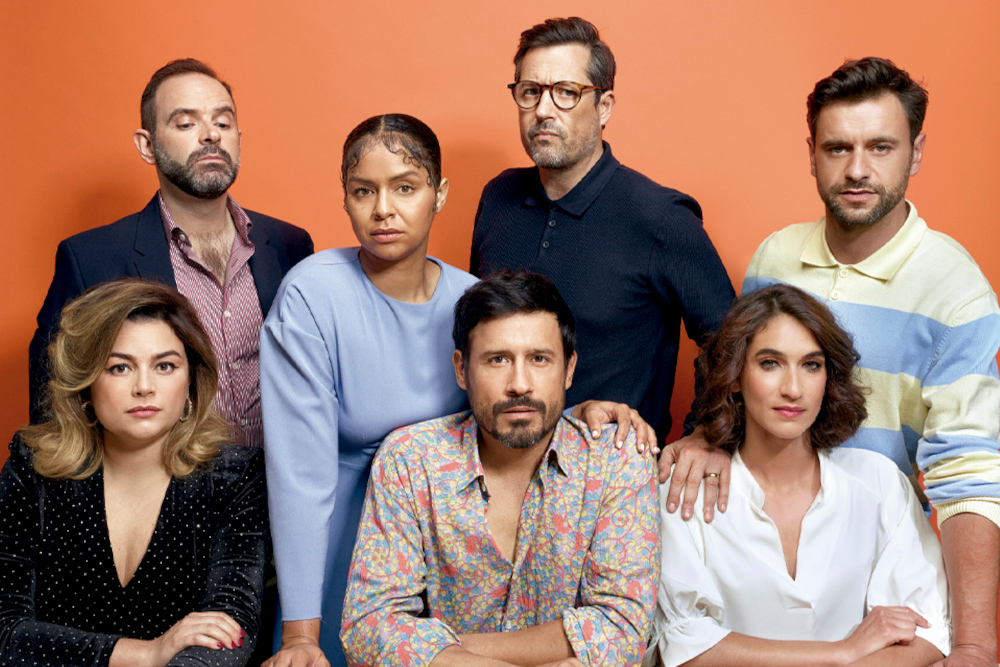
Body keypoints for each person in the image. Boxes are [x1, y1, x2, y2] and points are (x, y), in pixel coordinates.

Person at [260, 115, 651, 667]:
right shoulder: (312, 294)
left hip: (445, 538)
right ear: (344, 197)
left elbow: (513, 392)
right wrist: (301, 633)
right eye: (364, 191)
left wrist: (579, 409)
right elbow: (299, 476)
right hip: (332, 537)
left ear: (438, 194)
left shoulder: (470, 297)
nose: (383, 210)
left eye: (404, 188)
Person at [739, 57, 1000, 667]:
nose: (857, 170)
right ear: (811, 154)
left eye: (881, 147)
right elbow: (740, 388)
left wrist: (975, 645)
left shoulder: (956, 291)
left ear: (916, 152)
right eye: (838, 148)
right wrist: (704, 437)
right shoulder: (774, 258)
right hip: (763, 558)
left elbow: (968, 474)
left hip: (886, 578)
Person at [341, 270, 659, 667]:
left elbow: (622, 628)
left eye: (539, 359)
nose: (519, 384)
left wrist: (443, 651)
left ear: (569, 369)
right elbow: (368, 627)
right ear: (462, 370)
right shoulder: (410, 461)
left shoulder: (618, 461)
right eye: (497, 360)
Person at [647, 284, 950, 667]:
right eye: (770, 363)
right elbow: (683, 647)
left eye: (811, 365)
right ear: (735, 375)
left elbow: (928, 632)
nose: (793, 389)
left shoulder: (880, 483)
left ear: (829, 377)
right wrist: (842, 652)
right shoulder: (685, 487)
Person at [470, 16, 735, 447]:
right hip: (498, 462)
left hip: (610, 471)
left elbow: (735, 344)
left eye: (566, 92)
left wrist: (703, 435)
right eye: (531, 91)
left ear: (605, 106)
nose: (543, 110)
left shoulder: (661, 217)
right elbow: (479, 333)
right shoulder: (498, 197)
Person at [29, 58, 314, 448]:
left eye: (223, 123)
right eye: (186, 124)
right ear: (147, 146)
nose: (210, 135)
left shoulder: (290, 244)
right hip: (167, 482)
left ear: (238, 137)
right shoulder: (91, 259)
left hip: (281, 480)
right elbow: (52, 409)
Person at [0, 279, 270, 666]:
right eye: (120, 367)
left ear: (191, 380)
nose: (144, 387)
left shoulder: (236, 477)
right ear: (85, 383)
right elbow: (5, 632)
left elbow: (228, 632)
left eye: (165, 366)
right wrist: (146, 653)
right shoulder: (32, 467)